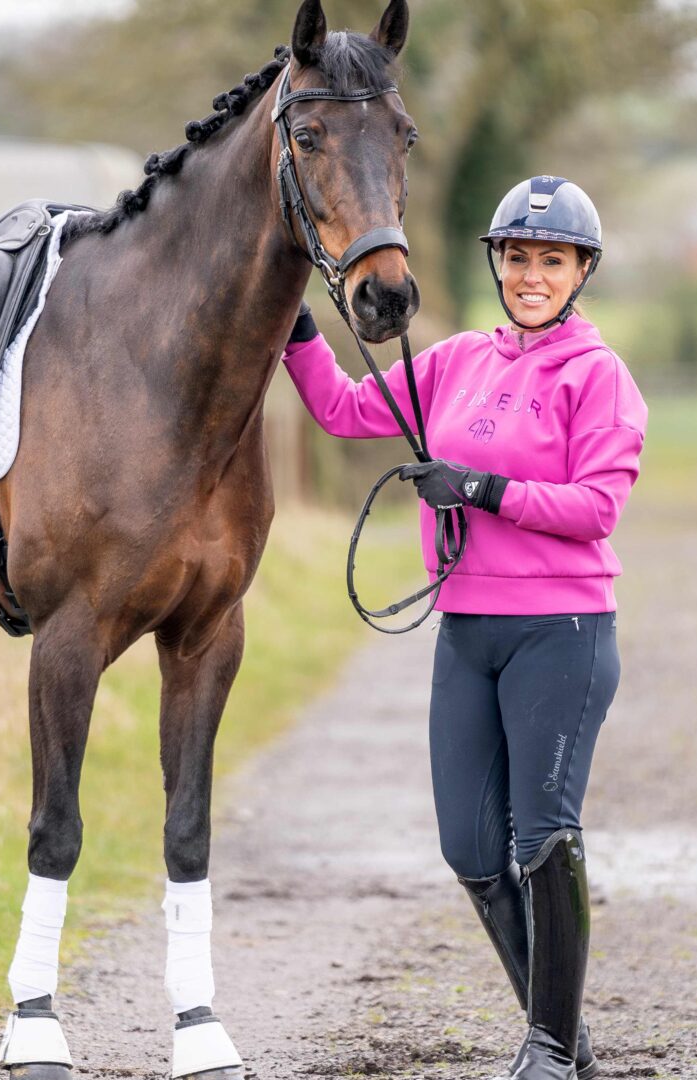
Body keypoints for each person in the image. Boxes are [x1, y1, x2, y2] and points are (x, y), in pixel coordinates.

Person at [281, 176, 645, 1080]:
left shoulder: (598, 377)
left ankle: (550, 1050)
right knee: (470, 848)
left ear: (579, 272)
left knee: (541, 838)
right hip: (466, 629)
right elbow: (340, 408)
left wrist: (484, 491)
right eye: (517, 257)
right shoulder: (455, 360)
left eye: (550, 261)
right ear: (498, 263)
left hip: (559, 631)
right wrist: (289, 313)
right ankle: (567, 1036)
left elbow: (597, 507)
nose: (531, 275)